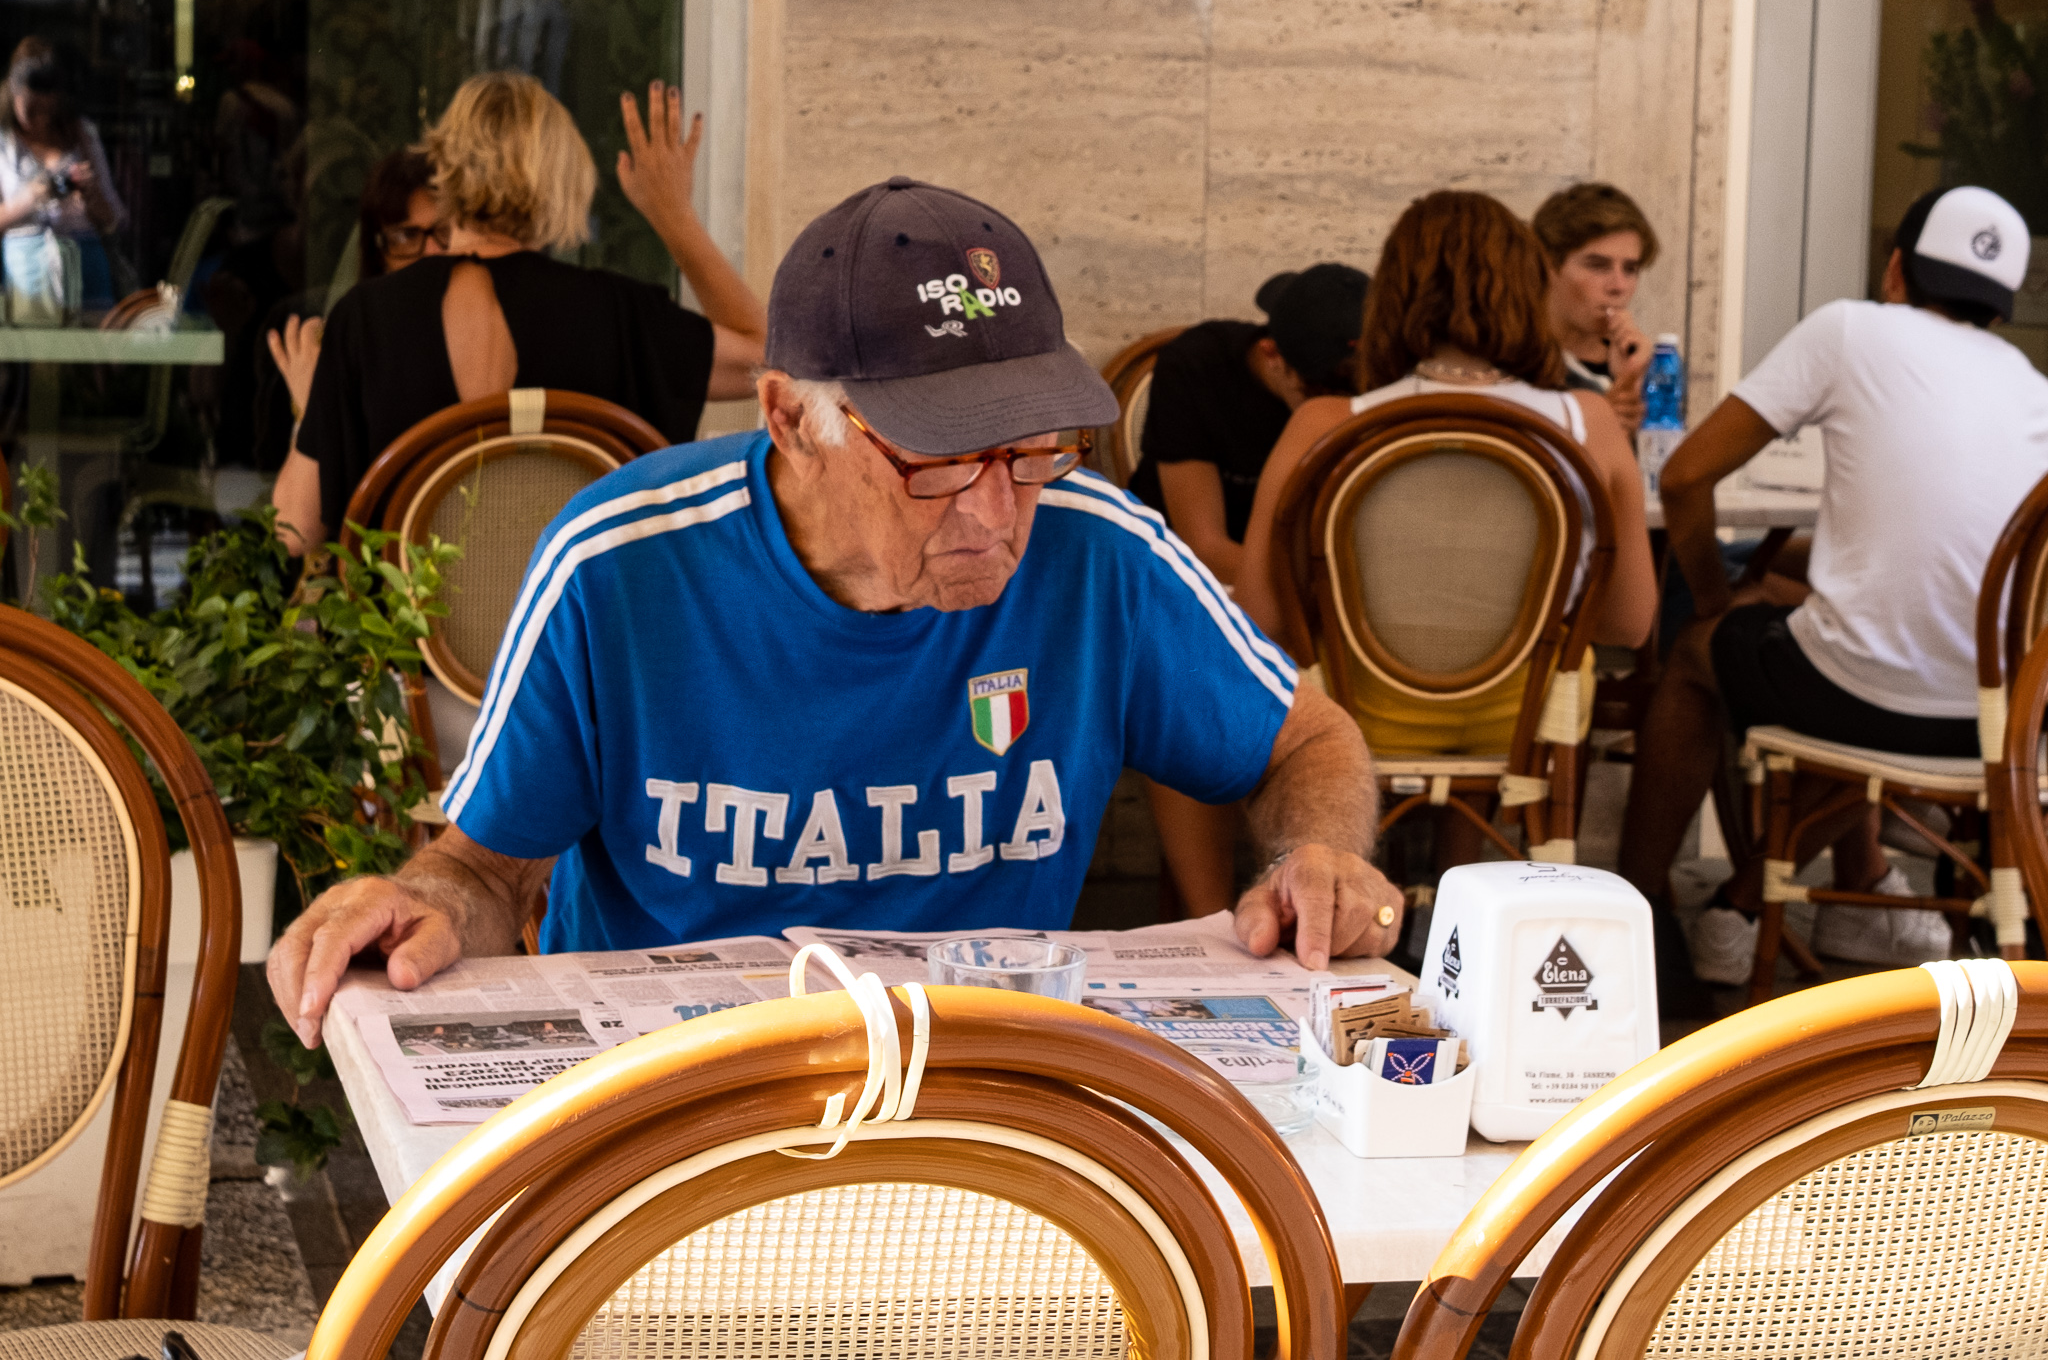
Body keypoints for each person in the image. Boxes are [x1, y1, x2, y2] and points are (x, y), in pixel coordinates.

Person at [267, 176, 1406, 1047]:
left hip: (974, 1078)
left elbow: (1306, 736)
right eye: (940, 458)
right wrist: (409, 905)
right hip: (677, 1088)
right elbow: (488, 871)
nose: (996, 513)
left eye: (1029, 448)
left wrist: (1319, 856)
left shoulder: (1092, 550)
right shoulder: (621, 566)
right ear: (787, 417)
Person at [1618, 185, 2048, 994]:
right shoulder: (2034, 389)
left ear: (1895, 270)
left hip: (1853, 695)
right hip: (1996, 724)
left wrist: (1714, 598)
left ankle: (1639, 917)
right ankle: (1825, 893)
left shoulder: (1851, 329)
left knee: (1699, 653)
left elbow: (1685, 476)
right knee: (1830, 626)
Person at [272, 72, 766, 555]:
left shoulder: (364, 320)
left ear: (444, 167)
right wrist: (672, 214)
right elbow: (768, 357)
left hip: (404, 635)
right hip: (578, 634)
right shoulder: (622, 315)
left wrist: (309, 411)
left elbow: (294, 531)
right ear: (565, 178)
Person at [1237, 190, 1657, 756]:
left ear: (1392, 292)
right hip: (1524, 722)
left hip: (1363, 716)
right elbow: (1628, 625)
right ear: (1528, 286)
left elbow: (1261, 614)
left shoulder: (1322, 426)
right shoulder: (1590, 423)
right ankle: (1478, 842)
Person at [1126, 261, 1369, 920]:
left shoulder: (1356, 393)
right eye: (1316, 387)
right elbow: (1201, 540)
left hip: (1317, 604)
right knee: (1188, 683)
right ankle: (1209, 921)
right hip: (1201, 583)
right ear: (1272, 355)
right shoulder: (1199, 367)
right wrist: (1297, 598)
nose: (1329, 401)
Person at [1129, 263, 1370, 585]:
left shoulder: (1368, 382)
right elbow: (1205, 548)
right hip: (1175, 579)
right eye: (1319, 393)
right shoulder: (1197, 365)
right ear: (1271, 353)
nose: (1338, 408)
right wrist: (1329, 594)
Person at [266, 150, 446, 439]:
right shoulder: (339, 347)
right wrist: (313, 413)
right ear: (378, 253)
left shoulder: (490, 336)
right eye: (406, 237)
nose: (432, 252)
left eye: (445, 232)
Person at [0, 37, 124, 321]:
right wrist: (30, 199)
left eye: (48, 110)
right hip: (29, 278)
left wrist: (92, 199)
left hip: (86, 267)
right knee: (43, 360)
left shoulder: (82, 133)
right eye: (32, 110)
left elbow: (112, 221)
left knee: (95, 359)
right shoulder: (4, 142)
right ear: (13, 92)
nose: (41, 119)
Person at [1532, 183, 1657, 434]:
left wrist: (1637, 382)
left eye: (1630, 269)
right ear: (1548, 265)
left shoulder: (1648, 365)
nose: (1619, 286)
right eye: (1598, 266)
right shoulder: (1513, 360)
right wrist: (1597, 423)